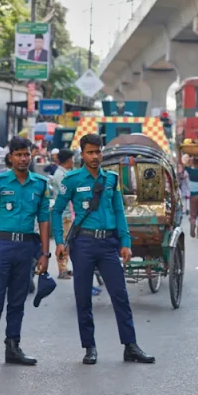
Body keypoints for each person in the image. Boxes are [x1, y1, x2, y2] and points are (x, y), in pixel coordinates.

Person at [52, 134, 154, 365]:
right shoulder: (72, 180)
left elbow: (119, 211)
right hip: (84, 244)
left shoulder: (111, 179)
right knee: (83, 298)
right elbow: (56, 211)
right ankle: (89, 347)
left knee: (120, 296)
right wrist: (59, 240)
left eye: (98, 151)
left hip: (108, 244)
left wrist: (125, 243)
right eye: (90, 152)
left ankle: (130, 346)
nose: (95, 156)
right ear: (82, 154)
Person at [0, 136, 51, 371]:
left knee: (18, 301)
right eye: (18, 154)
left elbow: (44, 220)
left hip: (26, 247)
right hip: (0, 246)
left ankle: (13, 347)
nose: (23, 158)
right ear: (10, 157)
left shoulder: (40, 184)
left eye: (26, 154)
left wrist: (44, 254)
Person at [50, 149, 75, 280]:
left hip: (68, 213)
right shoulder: (61, 175)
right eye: (72, 158)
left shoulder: (65, 173)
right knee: (63, 243)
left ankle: (65, 268)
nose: (73, 161)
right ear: (68, 160)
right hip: (64, 214)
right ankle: (62, 270)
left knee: (68, 243)